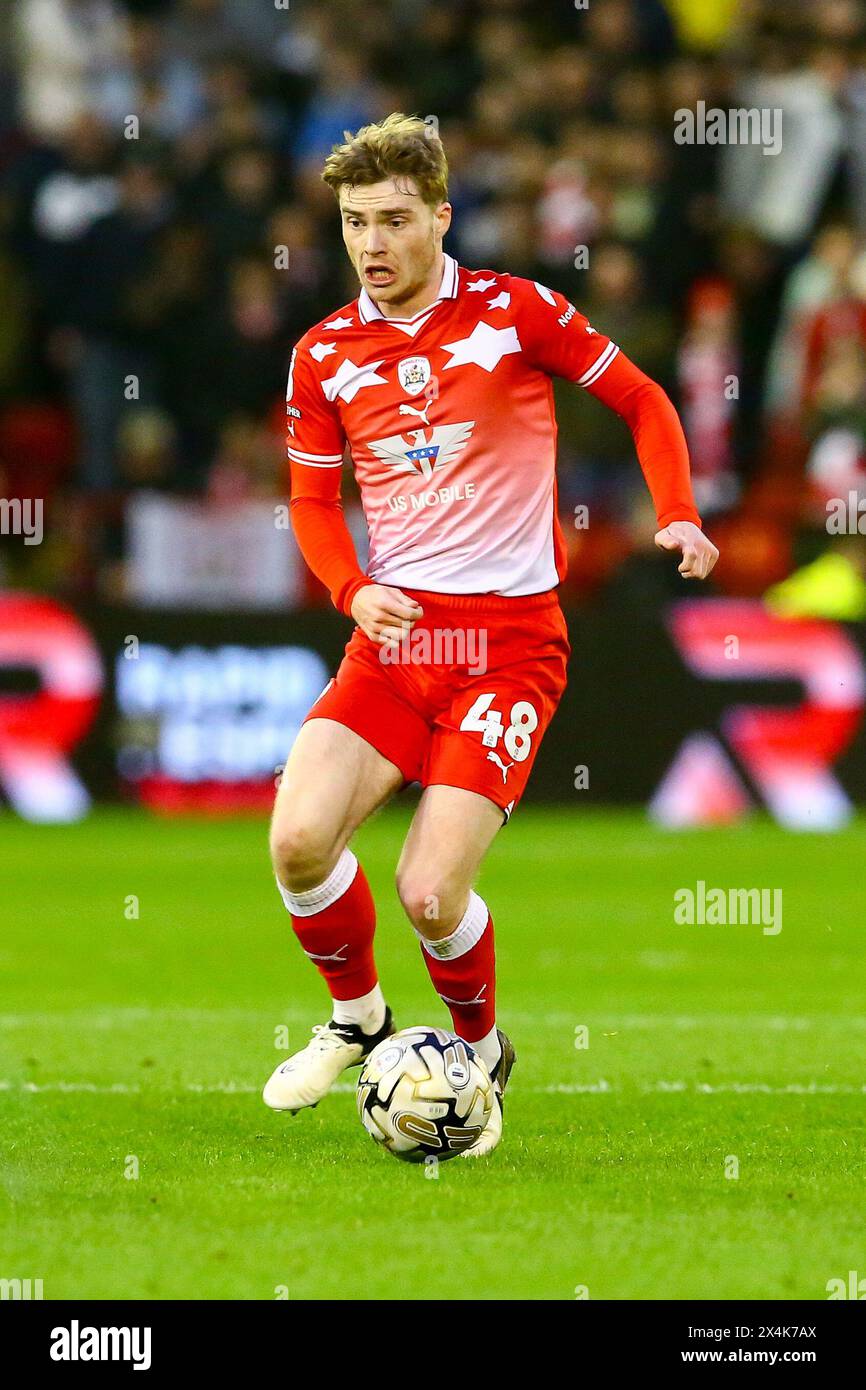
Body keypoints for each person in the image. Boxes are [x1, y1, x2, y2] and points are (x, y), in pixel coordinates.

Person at [263, 114, 718, 1156]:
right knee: (295, 841)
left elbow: (641, 398)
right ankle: (359, 1018)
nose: (371, 244)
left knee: (428, 890)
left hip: (506, 645)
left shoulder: (514, 312)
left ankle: (476, 1053)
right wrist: (347, 590)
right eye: (351, 223)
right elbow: (310, 500)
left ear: (438, 217)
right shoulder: (323, 353)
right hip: (394, 639)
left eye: (391, 220)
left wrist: (677, 510)